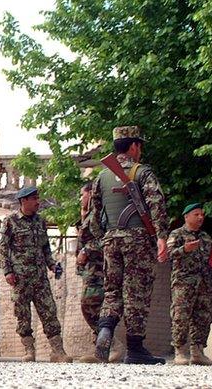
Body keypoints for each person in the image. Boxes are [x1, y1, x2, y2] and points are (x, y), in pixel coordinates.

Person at [86, 126, 169, 365]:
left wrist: (105, 238)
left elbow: (94, 216)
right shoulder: (142, 172)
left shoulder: (101, 177)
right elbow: (156, 204)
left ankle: (105, 328)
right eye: (139, 145)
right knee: (136, 293)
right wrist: (161, 237)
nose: (140, 150)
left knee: (112, 291)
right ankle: (135, 349)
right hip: (138, 240)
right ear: (133, 146)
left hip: (111, 239)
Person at [0, 186, 71, 363]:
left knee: (49, 312)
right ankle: (29, 350)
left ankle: (57, 351)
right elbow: (3, 249)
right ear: (24, 201)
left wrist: (52, 265)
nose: (38, 202)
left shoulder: (40, 221)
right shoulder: (10, 221)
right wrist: (7, 271)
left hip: (40, 278)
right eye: (34, 199)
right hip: (20, 278)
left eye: (38, 198)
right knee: (23, 315)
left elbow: (45, 247)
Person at [74, 183, 124, 363]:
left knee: (90, 304)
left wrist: (87, 250)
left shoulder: (100, 213)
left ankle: (113, 345)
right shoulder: (88, 215)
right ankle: (101, 350)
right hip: (91, 269)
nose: (81, 198)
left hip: (101, 268)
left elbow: (108, 238)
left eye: (83, 194)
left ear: (90, 193)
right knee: (91, 305)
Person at [168, 203, 212, 366]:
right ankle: (180, 351)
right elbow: (168, 255)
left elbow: (211, 262)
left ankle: (198, 352)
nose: (200, 217)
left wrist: (209, 282)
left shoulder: (206, 237)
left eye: (202, 214)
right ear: (186, 216)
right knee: (180, 316)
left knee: (203, 317)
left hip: (203, 284)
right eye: (196, 214)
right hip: (183, 283)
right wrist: (184, 249)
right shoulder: (177, 234)